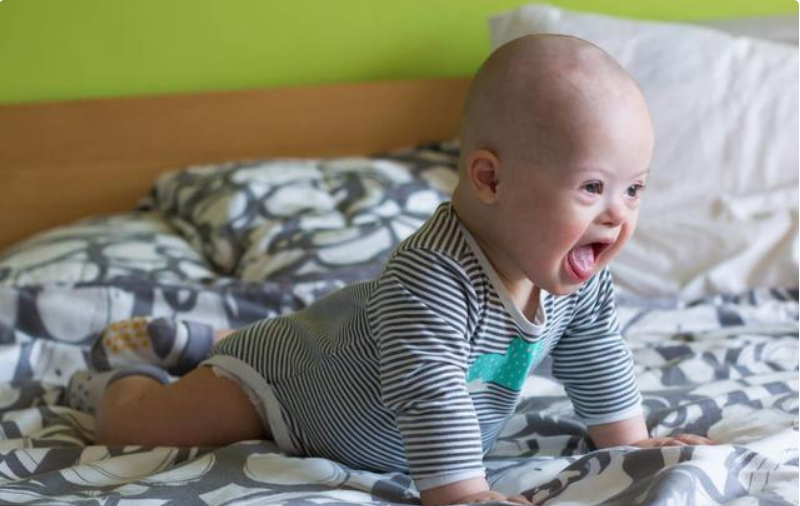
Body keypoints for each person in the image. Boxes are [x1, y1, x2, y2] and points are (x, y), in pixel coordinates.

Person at [66, 34, 713, 506]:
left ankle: (210, 340)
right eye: (593, 187)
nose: (617, 215)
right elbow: (430, 391)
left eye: (634, 189)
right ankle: (134, 372)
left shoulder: (577, 277)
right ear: (491, 179)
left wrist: (629, 443)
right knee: (137, 430)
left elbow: (596, 350)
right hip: (285, 390)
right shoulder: (432, 281)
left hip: (342, 357)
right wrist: (462, 494)